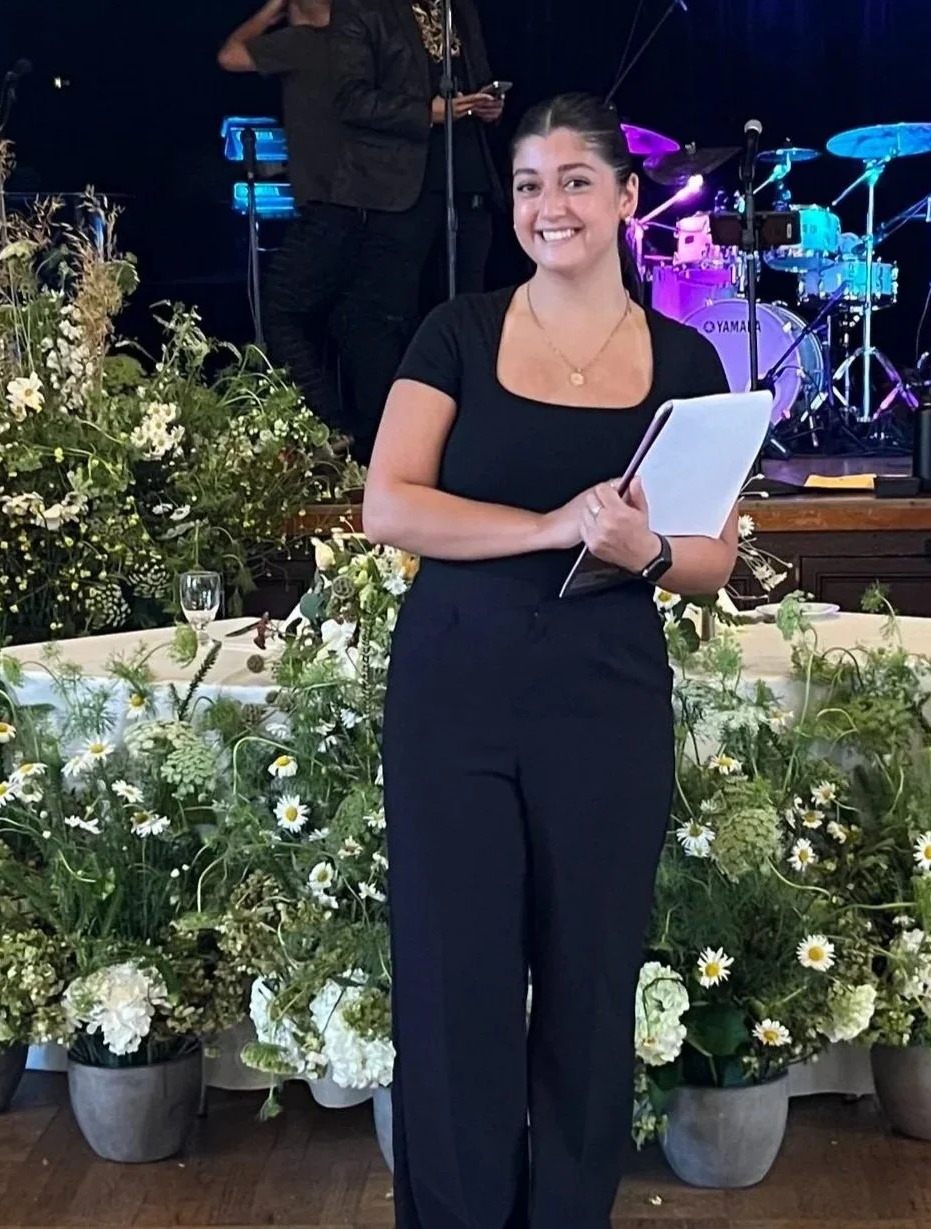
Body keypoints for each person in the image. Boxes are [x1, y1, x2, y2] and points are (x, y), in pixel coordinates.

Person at [362, 93, 736, 1227]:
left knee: (588, 989)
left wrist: (647, 547)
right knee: (454, 986)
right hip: (454, 697)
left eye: (575, 180)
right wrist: (550, 527)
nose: (549, 205)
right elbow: (390, 505)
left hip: (605, 703)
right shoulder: (456, 331)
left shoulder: (687, 357)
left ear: (628, 198)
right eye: (529, 184)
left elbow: (711, 558)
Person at [322, 0, 504, 460]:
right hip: (401, 188)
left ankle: (470, 439)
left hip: (468, 180)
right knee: (385, 316)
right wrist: (428, 112)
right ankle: (391, 443)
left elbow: (473, 76)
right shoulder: (364, 10)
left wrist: (486, 103)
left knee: (469, 310)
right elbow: (349, 98)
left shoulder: (458, 9)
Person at [218, 0, 353, 442]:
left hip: (327, 206)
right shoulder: (357, 47)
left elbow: (230, 53)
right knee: (347, 319)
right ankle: (349, 424)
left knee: (280, 311)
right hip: (368, 201)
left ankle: (328, 424)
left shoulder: (300, 45)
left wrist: (271, 9)